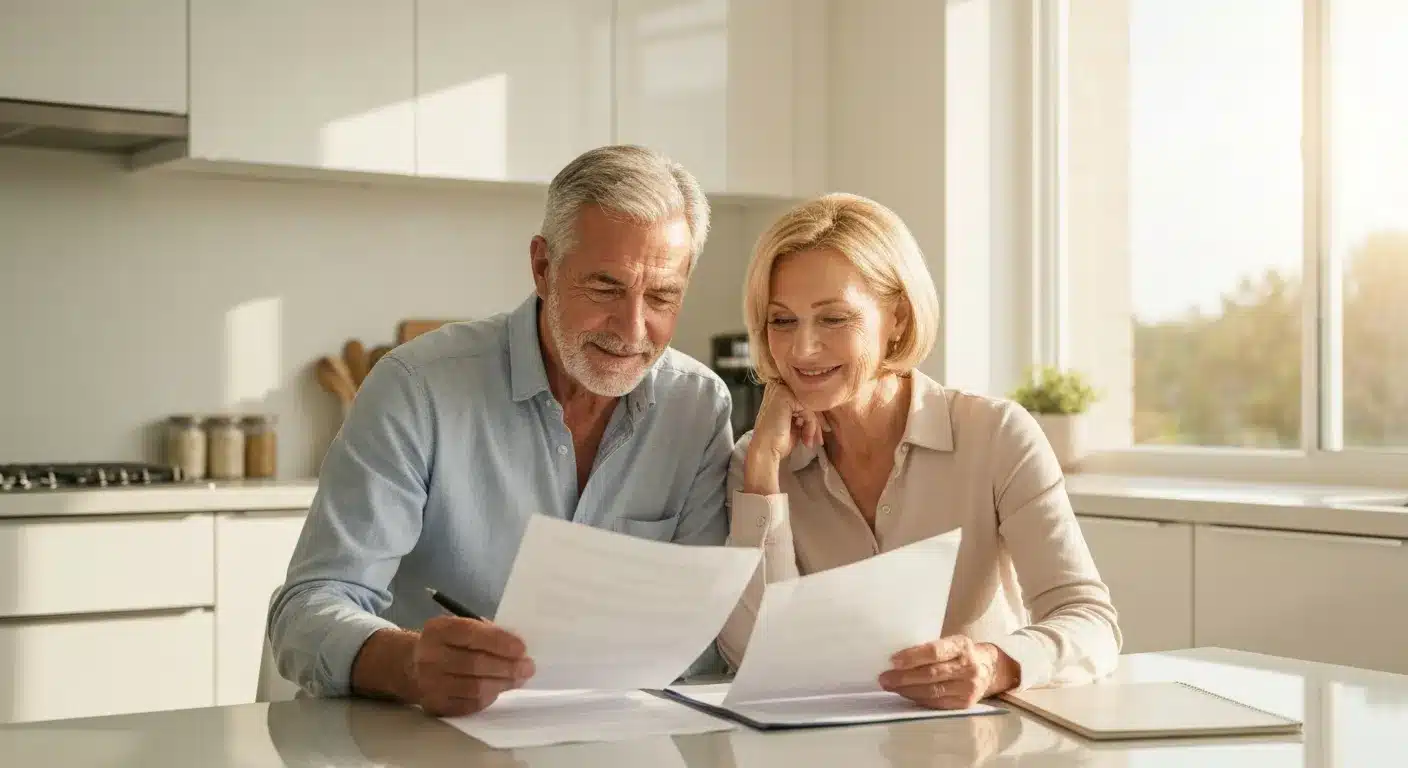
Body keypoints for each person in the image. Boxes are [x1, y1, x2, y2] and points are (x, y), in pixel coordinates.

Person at [268, 145, 735, 717]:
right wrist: (409, 665)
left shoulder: (698, 407)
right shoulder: (417, 387)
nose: (633, 329)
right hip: (421, 740)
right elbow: (306, 610)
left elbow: (701, 640)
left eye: (662, 296)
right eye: (605, 288)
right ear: (543, 268)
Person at [717, 193, 1121, 709]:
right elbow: (751, 656)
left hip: (984, 740)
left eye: (833, 319)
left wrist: (994, 664)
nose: (802, 349)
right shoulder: (759, 464)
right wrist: (762, 471)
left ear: (899, 320)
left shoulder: (997, 436)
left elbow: (1090, 621)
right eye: (782, 321)